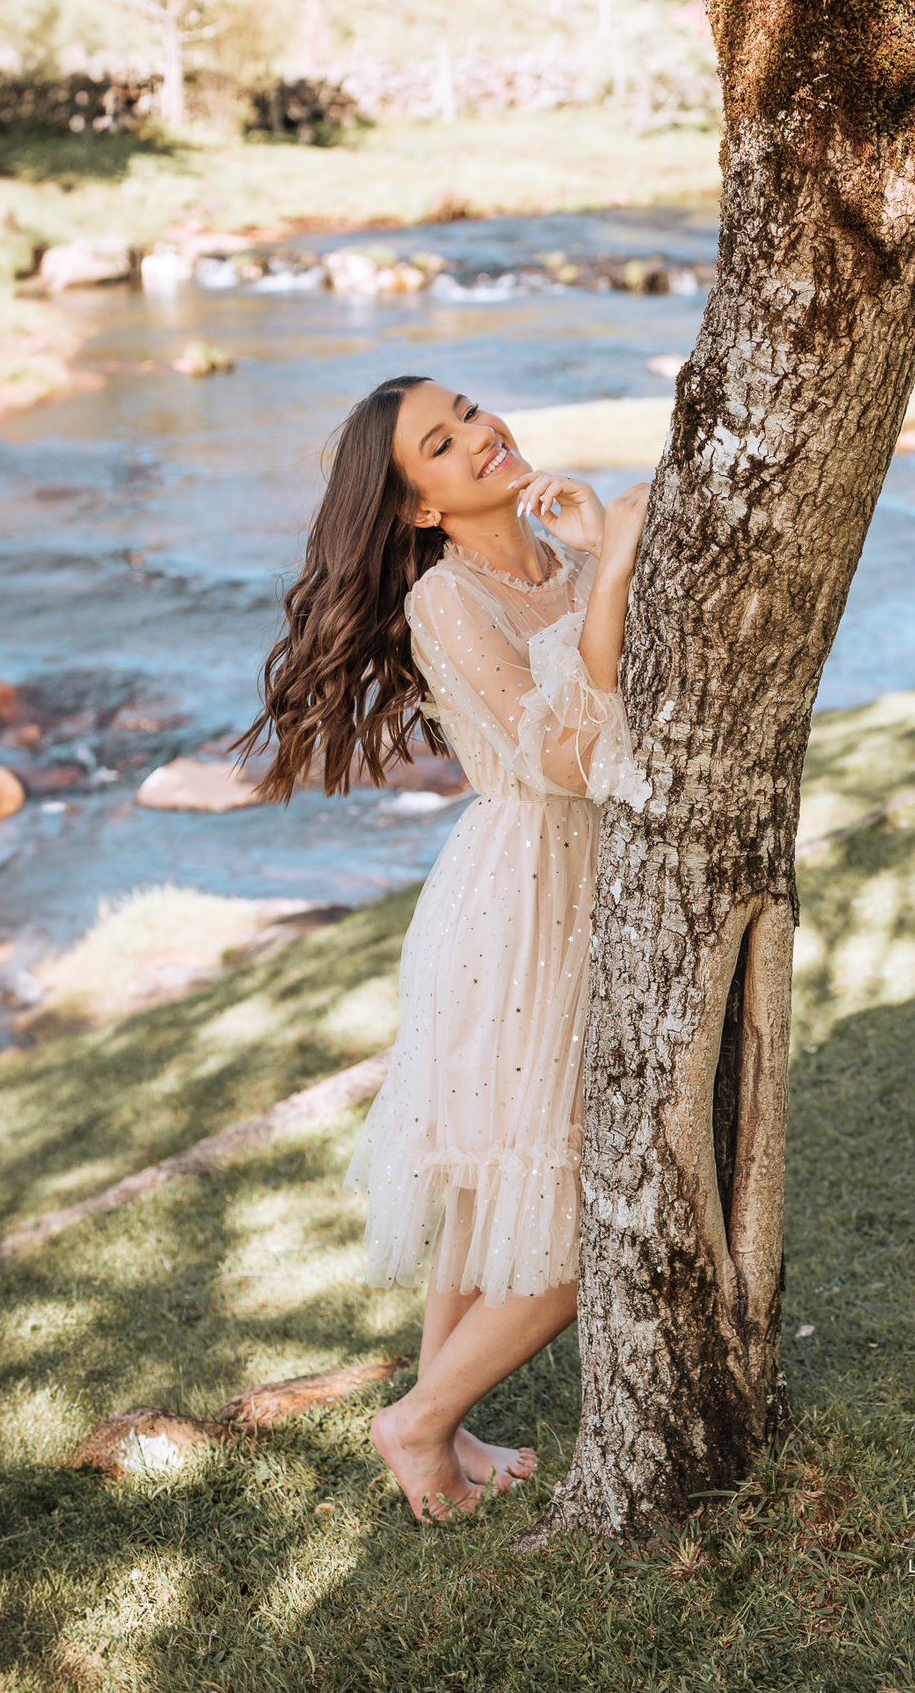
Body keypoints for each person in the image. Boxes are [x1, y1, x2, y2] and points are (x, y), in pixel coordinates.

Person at [241, 375, 650, 1520]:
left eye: (468, 410)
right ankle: (417, 1420)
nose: (479, 434)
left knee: (488, 1187)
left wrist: (594, 559)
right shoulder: (446, 602)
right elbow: (565, 762)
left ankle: (444, 1424)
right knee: (570, 1213)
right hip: (521, 903)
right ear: (419, 508)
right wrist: (618, 563)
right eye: (441, 441)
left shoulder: (556, 559)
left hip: (584, 886)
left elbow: (618, 693)